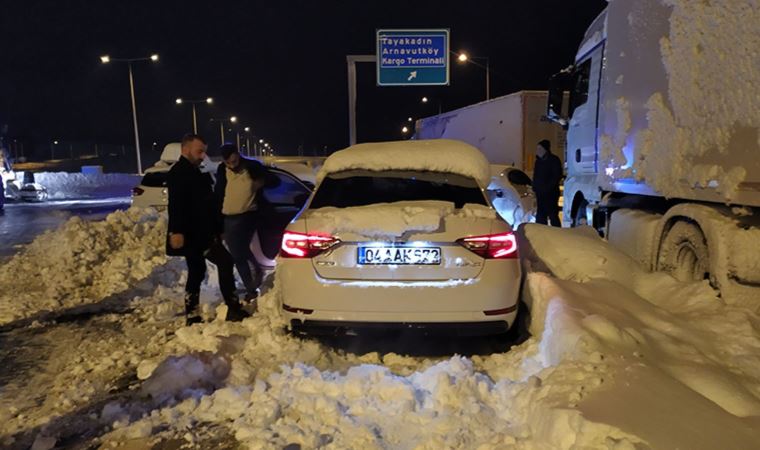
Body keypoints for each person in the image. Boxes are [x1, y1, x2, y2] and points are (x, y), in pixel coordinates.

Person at [166, 134, 248, 325]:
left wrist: (217, 227)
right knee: (224, 262)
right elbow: (176, 205)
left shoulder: (195, 171)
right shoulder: (179, 173)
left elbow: (208, 204)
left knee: (197, 270)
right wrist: (176, 231)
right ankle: (231, 308)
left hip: (203, 232)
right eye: (199, 151)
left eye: (204, 151)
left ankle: (193, 315)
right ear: (185, 150)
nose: (203, 155)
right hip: (194, 234)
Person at [214, 143, 279, 301]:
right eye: (227, 163)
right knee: (239, 250)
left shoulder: (252, 166)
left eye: (233, 161)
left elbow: (275, 180)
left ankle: (251, 289)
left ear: (238, 154)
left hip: (247, 215)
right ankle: (256, 270)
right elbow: (219, 193)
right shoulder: (222, 170)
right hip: (228, 216)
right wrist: (217, 220)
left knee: (237, 253)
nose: (231, 165)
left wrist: (261, 181)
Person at [532, 139, 563, 227]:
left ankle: (556, 233)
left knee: (553, 214)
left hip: (551, 193)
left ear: (545, 149)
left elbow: (556, 176)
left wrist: (548, 188)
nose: (538, 151)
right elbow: (536, 175)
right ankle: (541, 233)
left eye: (540, 148)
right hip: (540, 193)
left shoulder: (554, 160)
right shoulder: (538, 161)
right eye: (537, 148)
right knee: (541, 215)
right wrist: (535, 187)